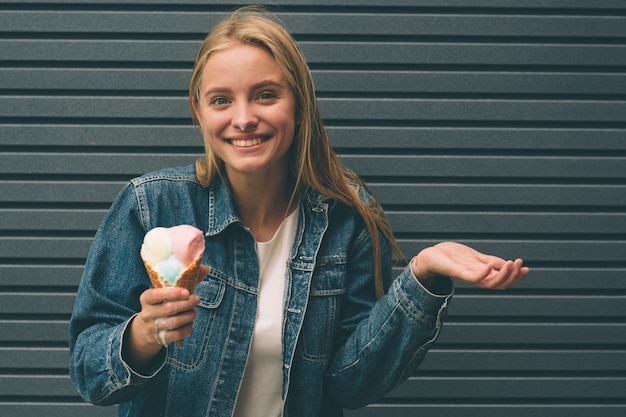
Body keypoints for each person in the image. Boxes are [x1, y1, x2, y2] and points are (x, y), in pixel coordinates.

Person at [69, 6, 529, 417]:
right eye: (222, 100)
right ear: (198, 111)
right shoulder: (152, 205)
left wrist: (423, 277)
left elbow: (353, 382)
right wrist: (145, 334)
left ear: (299, 103)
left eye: (266, 95)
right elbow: (88, 370)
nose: (244, 117)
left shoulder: (345, 220)